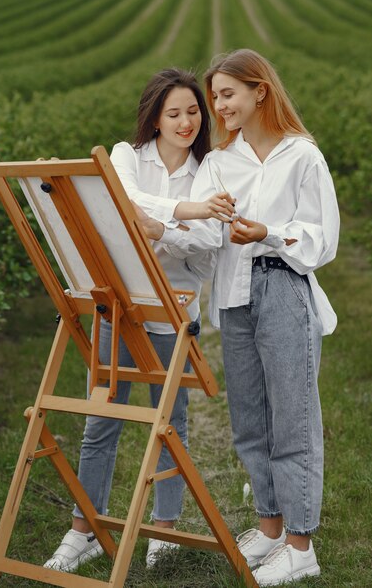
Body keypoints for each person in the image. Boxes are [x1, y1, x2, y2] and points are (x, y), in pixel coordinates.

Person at [146, 49, 339, 585]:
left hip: (282, 286)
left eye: (226, 94)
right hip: (232, 296)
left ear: (260, 90)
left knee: (292, 421)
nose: (217, 107)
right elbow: (208, 233)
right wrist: (160, 229)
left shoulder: (302, 156)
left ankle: (301, 546)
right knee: (249, 422)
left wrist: (269, 234)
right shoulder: (219, 161)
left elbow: (323, 238)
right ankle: (271, 529)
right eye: (215, 97)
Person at [44, 68, 231, 573]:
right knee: (101, 417)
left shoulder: (211, 167)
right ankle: (85, 528)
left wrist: (160, 231)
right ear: (154, 116)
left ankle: (164, 529)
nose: (186, 121)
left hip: (173, 314)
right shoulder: (126, 157)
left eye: (194, 111)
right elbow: (122, 198)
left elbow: (212, 246)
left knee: (171, 423)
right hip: (119, 306)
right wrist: (183, 214)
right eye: (174, 112)